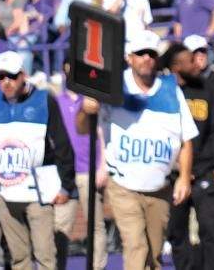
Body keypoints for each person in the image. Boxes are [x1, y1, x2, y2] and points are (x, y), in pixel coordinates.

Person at [78, 31, 197, 270]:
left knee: (153, 256)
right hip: (123, 185)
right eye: (140, 53)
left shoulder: (171, 90)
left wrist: (184, 177)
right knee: (136, 245)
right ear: (129, 57)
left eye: (151, 54)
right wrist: (86, 109)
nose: (146, 58)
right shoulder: (112, 87)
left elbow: (187, 140)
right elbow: (82, 128)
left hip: (159, 187)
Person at [0, 51, 75, 270]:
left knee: (45, 255)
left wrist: (66, 186)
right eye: (1, 77)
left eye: (12, 76)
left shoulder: (44, 100)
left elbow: (62, 144)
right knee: (19, 258)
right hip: (5, 192)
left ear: (23, 75)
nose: (6, 82)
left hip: (37, 192)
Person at [164, 43, 214, 270]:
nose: (196, 65)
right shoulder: (164, 93)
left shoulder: (207, 92)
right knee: (176, 232)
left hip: (205, 171)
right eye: (189, 61)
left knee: (213, 232)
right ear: (176, 67)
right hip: (173, 176)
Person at [54, 59, 108, 270]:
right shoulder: (57, 101)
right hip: (65, 173)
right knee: (59, 227)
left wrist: (102, 166)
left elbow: (102, 132)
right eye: (68, 70)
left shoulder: (92, 101)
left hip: (90, 170)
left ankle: (97, 267)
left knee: (96, 225)